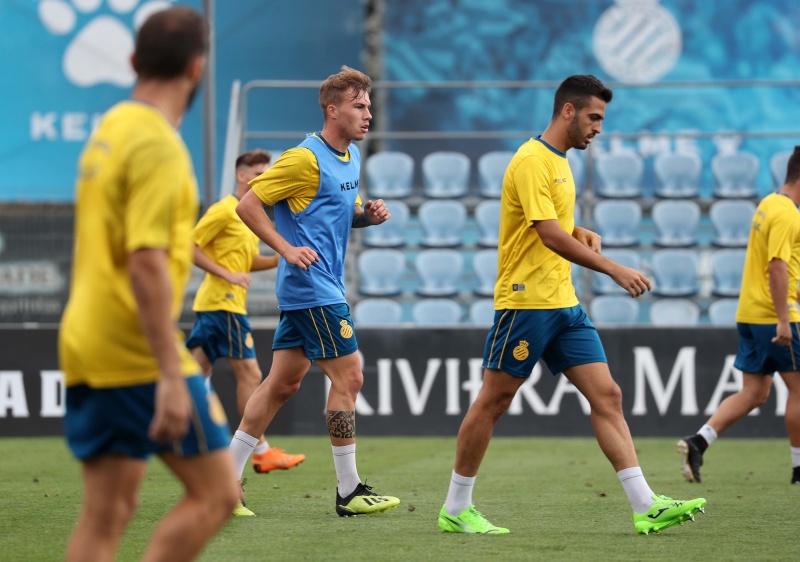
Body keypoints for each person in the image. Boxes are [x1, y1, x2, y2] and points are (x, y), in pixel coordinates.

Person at [437, 75, 706, 536]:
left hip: (563, 303)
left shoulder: (561, 162)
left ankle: (645, 505)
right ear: (568, 111)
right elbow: (546, 234)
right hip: (526, 303)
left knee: (608, 395)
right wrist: (611, 267)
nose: (598, 128)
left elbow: (553, 224)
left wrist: (577, 229)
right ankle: (456, 507)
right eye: (594, 117)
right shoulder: (530, 160)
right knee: (493, 401)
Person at [58, 7, 238, 561]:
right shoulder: (160, 146)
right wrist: (167, 370)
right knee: (218, 494)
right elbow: (145, 261)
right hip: (137, 351)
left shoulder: (111, 127)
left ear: (133, 61)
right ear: (197, 67)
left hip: (86, 342)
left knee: (107, 512)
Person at [228, 65, 400, 517]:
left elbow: (335, 211)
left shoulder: (351, 157)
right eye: (359, 107)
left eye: (369, 106)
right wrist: (286, 248)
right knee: (350, 378)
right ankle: (349, 489)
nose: (368, 115)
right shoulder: (303, 157)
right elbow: (249, 204)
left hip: (314, 290)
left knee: (281, 384)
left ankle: (222, 483)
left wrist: (366, 215)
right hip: (315, 289)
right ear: (333, 110)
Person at [678, 146, 800, 485]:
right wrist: (784, 319)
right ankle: (799, 470)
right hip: (773, 316)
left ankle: (698, 442)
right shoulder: (789, 214)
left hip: (749, 314)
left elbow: (776, 267)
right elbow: (777, 268)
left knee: (754, 393)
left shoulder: (768, 204)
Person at [186, 149, 306, 486]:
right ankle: (261, 450)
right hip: (223, 303)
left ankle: (160, 429)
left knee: (194, 375)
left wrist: (286, 254)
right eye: (259, 172)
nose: (265, 177)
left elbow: (249, 261)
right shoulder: (225, 211)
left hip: (217, 304)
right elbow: (189, 246)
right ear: (242, 176)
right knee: (250, 373)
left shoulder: (249, 217)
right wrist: (227, 274)